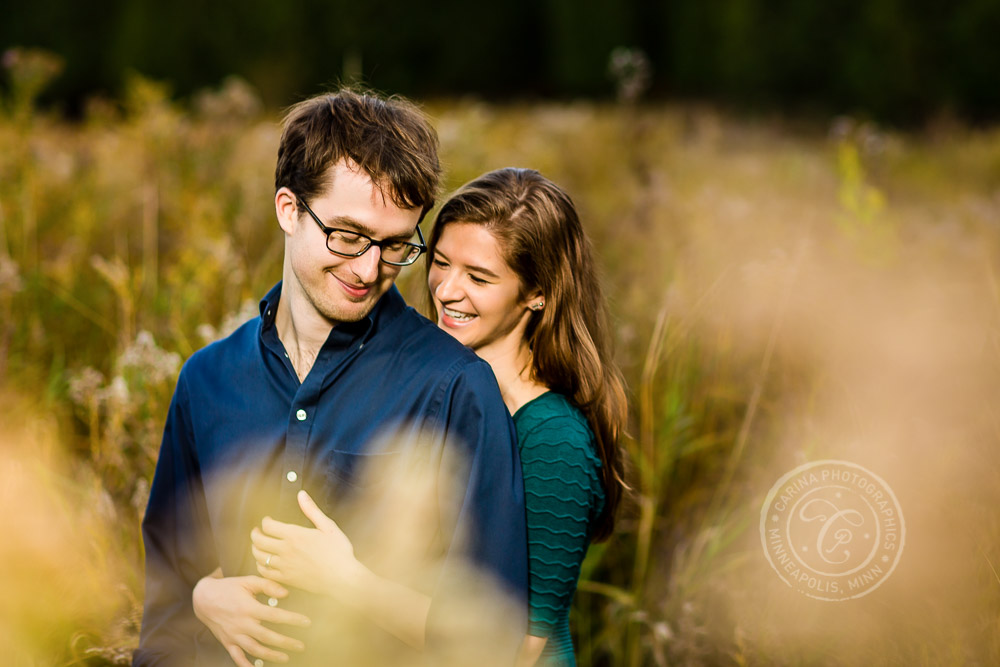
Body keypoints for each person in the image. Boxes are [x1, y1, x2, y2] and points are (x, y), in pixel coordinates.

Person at [135, 90, 528, 667]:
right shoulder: (206, 379)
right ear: (289, 209)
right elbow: (165, 601)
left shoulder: (454, 387)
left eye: (396, 246)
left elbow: (495, 638)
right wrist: (198, 598)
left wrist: (354, 585)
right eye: (347, 236)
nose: (370, 270)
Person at [425, 168, 628, 666]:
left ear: (537, 293)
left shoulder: (554, 439)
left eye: (478, 277)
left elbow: (515, 645)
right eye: (440, 263)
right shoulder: (445, 393)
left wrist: (346, 581)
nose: (447, 291)